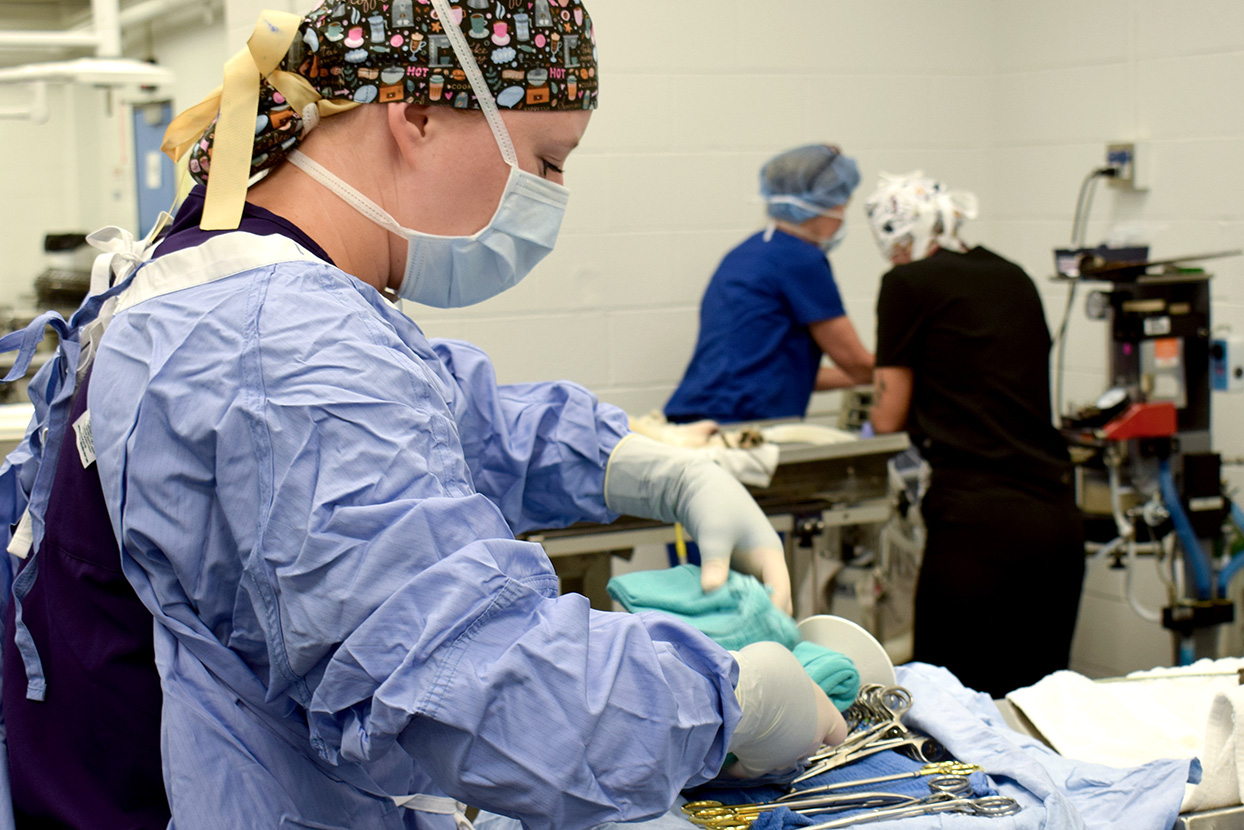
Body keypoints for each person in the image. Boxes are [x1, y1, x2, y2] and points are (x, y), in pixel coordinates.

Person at [0, 2, 847, 828]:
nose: (551, 197)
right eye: (548, 164)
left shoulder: (219, 268)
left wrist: (649, 467)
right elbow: (471, 688)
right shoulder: (279, 341)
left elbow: (436, 424)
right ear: (418, 114)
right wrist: (729, 703)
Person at [864, 172, 1085, 698]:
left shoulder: (905, 284)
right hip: (1054, 521)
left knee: (951, 712)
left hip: (978, 528)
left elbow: (888, 414)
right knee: (1039, 709)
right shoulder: (1013, 274)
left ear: (907, 237)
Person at [664, 144, 875, 425]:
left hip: (699, 418)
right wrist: (915, 372)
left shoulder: (748, 253)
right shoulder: (800, 260)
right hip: (740, 424)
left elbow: (777, 369)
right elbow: (858, 365)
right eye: (842, 205)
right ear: (822, 207)